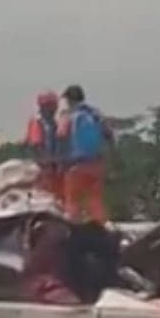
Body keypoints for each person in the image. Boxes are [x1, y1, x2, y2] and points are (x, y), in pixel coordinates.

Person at [57, 85, 114, 224]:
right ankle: (101, 228)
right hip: (96, 165)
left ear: (70, 100)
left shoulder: (69, 116)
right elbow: (109, 135)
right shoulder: (95, 114)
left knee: (73, 201)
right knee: (95, 201)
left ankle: (72, 230)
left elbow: (61, 137)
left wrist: (60, 162)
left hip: (76, 166)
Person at [24, 91, 64, 201]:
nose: (54, 109)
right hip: (42, 168)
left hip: (53, 167)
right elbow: (37, 145)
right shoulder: (37, 122)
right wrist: (47, 163)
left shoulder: (53, 123)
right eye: (52, 106)